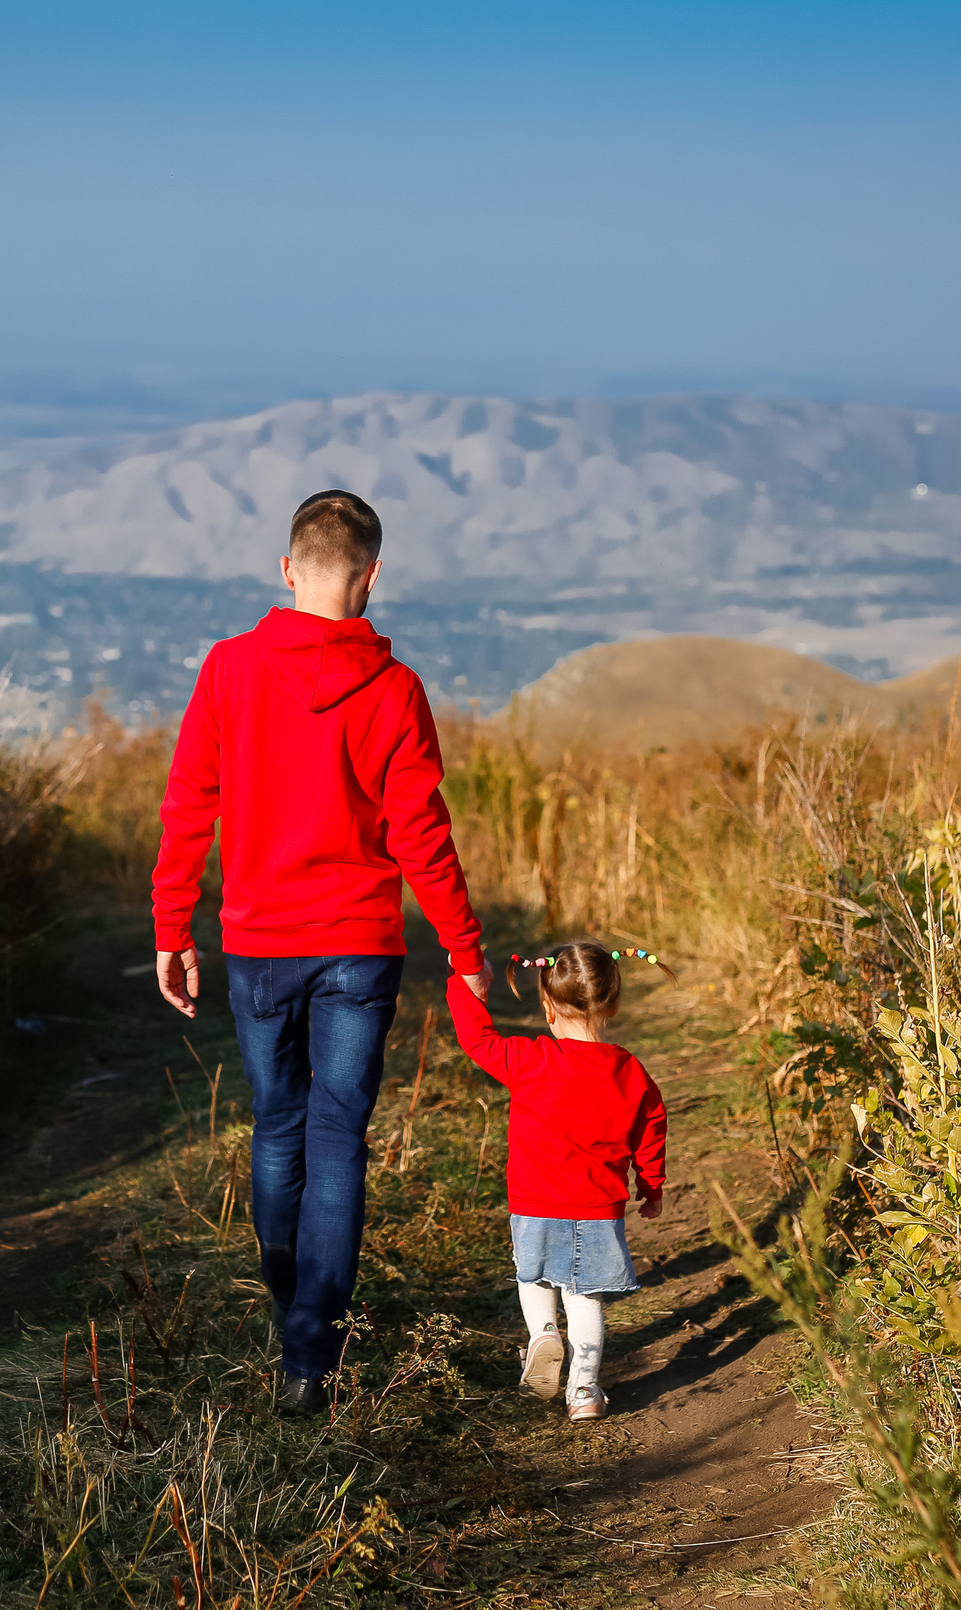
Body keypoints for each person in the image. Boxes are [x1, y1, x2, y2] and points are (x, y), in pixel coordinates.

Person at [151, 489, 488, 1418]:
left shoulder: (228, 669)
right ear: (373, 575)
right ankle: (311, 1356)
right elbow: (423, 834)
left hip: (259, 942)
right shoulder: (394, 689)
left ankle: (290, 1302)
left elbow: (189, 807)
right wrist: (464, 948)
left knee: (278, 1126)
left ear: (289, 569)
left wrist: (172, 928)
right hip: (361, 947)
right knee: (340, 1138)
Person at [446, 941, 666, 1419]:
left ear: (547, 1006)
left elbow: (477, 1040)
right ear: (613, 1004)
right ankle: (584, 1391)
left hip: (533, 1200)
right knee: (585, 1298)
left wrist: (462, 983)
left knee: (534, 1277)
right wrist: (652, 1187)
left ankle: (543, 1335)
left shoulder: (531, 1060)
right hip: (597, 1205)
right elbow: (651, 1131)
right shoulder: (630, 1071)